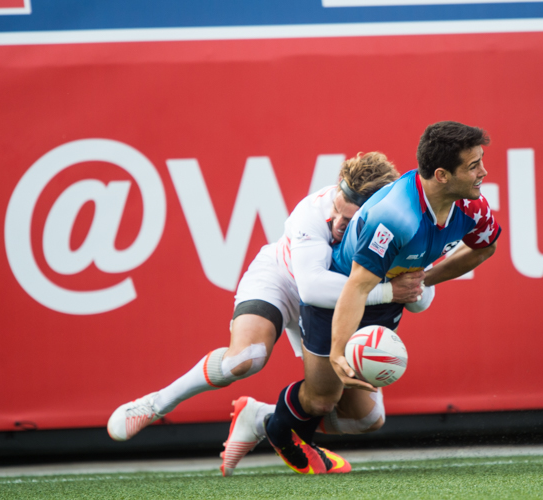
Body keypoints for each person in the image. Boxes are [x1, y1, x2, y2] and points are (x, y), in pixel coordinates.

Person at [106, 152, 434, 476]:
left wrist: (414, 285)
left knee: (366, 419)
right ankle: (154, 405)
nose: (336, 224)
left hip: (339, 302)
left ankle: (262, 418)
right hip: (283, 280)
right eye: (337, 210)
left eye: (348, 222)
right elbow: (311, 288)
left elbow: (422, 298)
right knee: (246, 357)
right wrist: (392, 290)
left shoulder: (400, 225)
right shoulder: (311, 210)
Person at [251, 121, 501, 474]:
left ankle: (274, 423)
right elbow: (356, 287)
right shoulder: (395, 217)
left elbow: (484, 248)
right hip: (340, 296)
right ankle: (273, 428)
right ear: (442, 175)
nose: (483, 172)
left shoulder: (472, 208)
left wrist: (424, 279)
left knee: (369, 417)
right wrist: (338, 353)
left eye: (481, 161)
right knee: (323, 398)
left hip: (386, 295)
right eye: (473, 166)